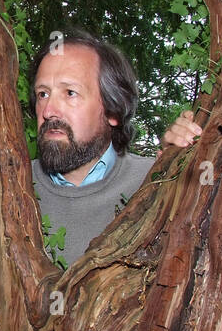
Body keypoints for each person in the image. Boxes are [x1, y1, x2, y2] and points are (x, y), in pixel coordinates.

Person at [30, 30, 201, 264]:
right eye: (43, 93)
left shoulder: (151, 181)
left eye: (70, 93)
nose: (49, 111)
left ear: (112, 110)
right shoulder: (8, 185)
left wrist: (175, 173)